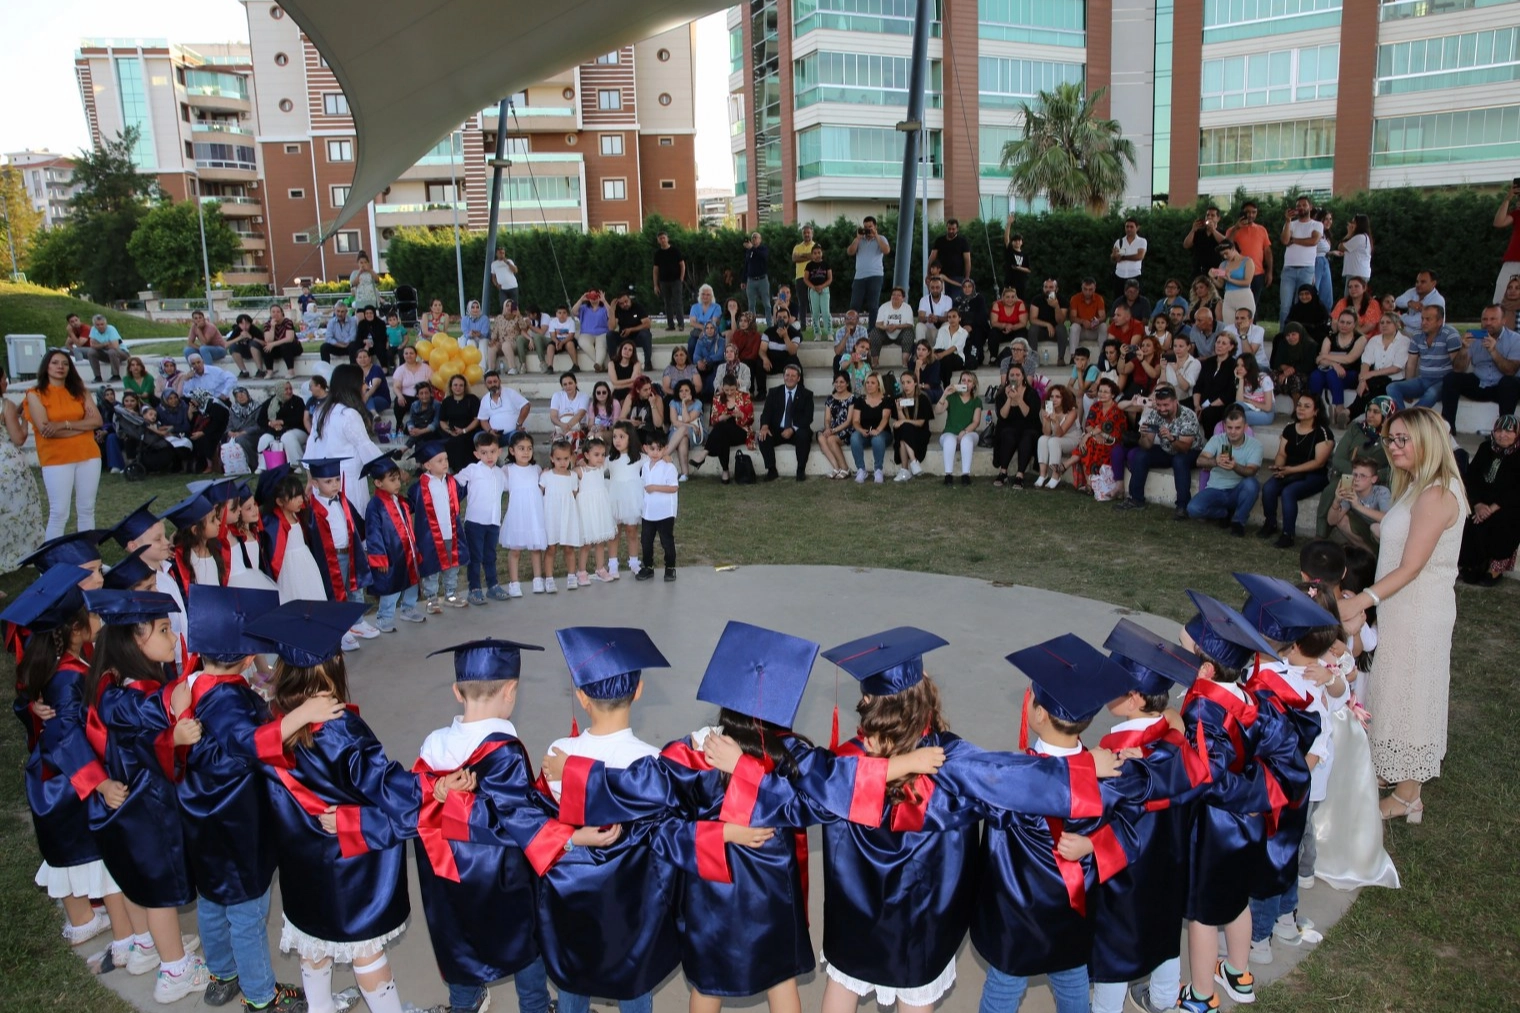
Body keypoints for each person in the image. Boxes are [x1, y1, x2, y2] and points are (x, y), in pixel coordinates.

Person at [243, 599, 426, 1013]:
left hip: (301, 857)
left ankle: (320, 1007)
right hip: (348, 865)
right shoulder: (343, 732)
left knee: (313, 939)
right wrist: (432, 787)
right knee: (366, 951)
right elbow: (388, 788)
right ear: (336, 663)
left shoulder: (274, 721)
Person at [412, 639, 584, 1013]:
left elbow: (418, 798)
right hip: (500, 879)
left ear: (457, 692)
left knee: (458, 938)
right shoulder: (505, 749)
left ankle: (464, 1005)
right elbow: (517, 816)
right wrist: (566, 828)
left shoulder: (433, 744)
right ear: (511, 691)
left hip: (449, 875)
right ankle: (535, 1006)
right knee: (523, 940)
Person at [536, 628, 677, 1013]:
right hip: (631, 902)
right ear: (639, 691)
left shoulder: (558, 753)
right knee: (634, 979)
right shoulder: (653, 763)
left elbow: (544, 824)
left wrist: (574, 771)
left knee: (572, 975)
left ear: (581, 697)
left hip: (574, 896)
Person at [1340, 407, 1468, 824]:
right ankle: (1389, 769)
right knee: (1392, 690)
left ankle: (1409, 796)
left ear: (1427, 440)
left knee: (1412, 695)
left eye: (1402, 439)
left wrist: (1361, 600)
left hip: (1419, 609)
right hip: (1400, 606)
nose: (1393, 447)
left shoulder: (1437, 493)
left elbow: (1412, 566)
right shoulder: (1419, 485)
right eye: (1390, 439)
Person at [26, 349, 102, 540]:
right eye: (55, 363)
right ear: (46, 366)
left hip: (88, 454)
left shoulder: (80, 391)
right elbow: (46, 430)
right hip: (56, 458)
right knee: (59, 512)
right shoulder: (35, 394)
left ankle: (88, 553)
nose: (60, 367)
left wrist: (63, 425)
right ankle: (52, 558)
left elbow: (97, 421)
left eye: (65, 363)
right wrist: (82, 427)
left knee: (87, 509)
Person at [1259, 393, 1336, 549]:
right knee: (1268, 487)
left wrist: (1290, 470)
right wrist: (1279, 467)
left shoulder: (1323, 433)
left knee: (1289, 492)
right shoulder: (1289, 428)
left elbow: (1319, 462)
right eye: (1299, 405)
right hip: (1289, 471)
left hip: (1314, 474)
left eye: (1307, 406)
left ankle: (1288, 534)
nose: (1301, 409)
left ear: (1316, 411)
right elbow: (1282, 454)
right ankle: (1270, 523)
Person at [1116, 384, 1201, 517]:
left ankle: (1182, 506)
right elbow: (1147, 445)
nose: (1162, 409)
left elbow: (1184, 448)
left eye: (1166, 405)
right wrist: (1142, 437)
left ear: (1175, 402)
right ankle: (1136, 499)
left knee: (1179, 461)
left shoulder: (1188, 415)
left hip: (1189, 451)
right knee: (1141, 455)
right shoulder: (1156, 414)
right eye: (1159, 405)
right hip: (1167, 449)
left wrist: (1171, 438)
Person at [361, 455, 424, 632]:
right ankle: (384, 617)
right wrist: (379, 557)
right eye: (392, 480)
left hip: (407, 550)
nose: (397, 483)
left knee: (412, 582)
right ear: (378, 483)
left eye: (398, 479)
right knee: (392, 587)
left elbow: (412, 507)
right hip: (390, 554)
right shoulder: (375, 506)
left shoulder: (399, 500)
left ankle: (408, 608)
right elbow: (373, 533)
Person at [1458, 414, 1520, 585]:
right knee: (1470, 519)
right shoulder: (1486, 448)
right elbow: (1472, 478)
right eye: (1499, 430)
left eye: (1509, 431)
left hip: (1507, 504)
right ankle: (1473, 563)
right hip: (1482, 502)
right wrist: (1478, 504)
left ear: (1517, 434)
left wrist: (1491, 508)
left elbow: (1516, 490)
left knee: (1505, 522)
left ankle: (1495, 568)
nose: (1502, 435)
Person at [407, 440, 467, 612]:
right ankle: (431, 598)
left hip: (451, 532)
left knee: (452, 566)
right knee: (432, 568)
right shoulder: (419, 487)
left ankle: (451, 593)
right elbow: (410, 506)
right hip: (430, 537)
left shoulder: (451, 482)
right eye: (440, 461)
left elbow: (460, 495)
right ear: (427, 465)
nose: (445, 463)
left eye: (446, 459)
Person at [1442, 304, 1520, 429]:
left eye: (1493, 319)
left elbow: (1510, 371)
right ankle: (1447, 428)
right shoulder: (1474, 337)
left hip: (1502, 387)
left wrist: (1493, 351)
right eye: (1485, 319)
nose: (1488, 323)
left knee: (1510, 383)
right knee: (1451, 378)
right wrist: (1464, 348)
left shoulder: (1515, 339)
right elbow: (1458, 369)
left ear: (1503, 321)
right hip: (1480, 383)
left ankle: (1504, 430)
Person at [455, 431, 510, 604]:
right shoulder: (472, 470)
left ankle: (493, 586)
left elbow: (510, 486)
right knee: (475, 556)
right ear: (477, 454)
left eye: (492, 452)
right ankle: (474, 589)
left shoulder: (500, 473)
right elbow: (455, 482)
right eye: (484, 453)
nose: (489, 456)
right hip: (475, 522)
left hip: (493, 522)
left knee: (490, 555)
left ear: (499, 451)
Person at [1188, 407, 1264, 535]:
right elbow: (1199, 461)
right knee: (1193, 509)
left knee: (1252, 484)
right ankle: (1224, 513)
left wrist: (1235, 466)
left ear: (1245, 427)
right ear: (1224, 426)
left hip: (1238, 490)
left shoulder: (1255, 445)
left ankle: (1238, 522)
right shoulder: (1217, 439)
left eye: (1237, 428)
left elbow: (1251, 471)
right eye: (1229, 427)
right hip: (1216, 488)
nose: (1233, 432)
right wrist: (1215, 461)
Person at [1389, 304, 1463, 410]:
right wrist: (1408, 386)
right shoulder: (1417, 335)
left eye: (1428, 319)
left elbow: (1458, 367)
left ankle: (1409, 417)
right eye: (1422, 319)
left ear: (1440, 321)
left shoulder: (1450, 335)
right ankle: (1403, 415)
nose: (1423, 322)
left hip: (1443, 381)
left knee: (1431, 393)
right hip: (1423, 380)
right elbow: (1411, 364)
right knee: (1392, 387)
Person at [500, 431, 547, 596]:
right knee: (515, 549)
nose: (526, 452)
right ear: (512, 450)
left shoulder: (536, 469)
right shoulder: (507, 470)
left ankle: (538, 580)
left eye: (529, 448)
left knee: (536, 548)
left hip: (534, 513)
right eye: (521, 448)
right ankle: (514, 583)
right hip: (517, 514)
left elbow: (541, 490)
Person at [634, 429, 679, 581]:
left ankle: (670, 568)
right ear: (645, 448)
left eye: (659, 449)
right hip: (648, 512)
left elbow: (673, 487)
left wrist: (655, 487)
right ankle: (648, 567)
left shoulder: (669, 467)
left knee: (666, 541)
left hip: (665, 512)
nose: (655, 453)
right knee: (646, 540)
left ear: (665, 449)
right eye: (652, 449)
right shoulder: (646, 466)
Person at [756, 363, 813, 481]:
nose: (789, 378)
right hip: (777, 429)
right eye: (787, 375)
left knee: (804, 435)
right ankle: (771, 470)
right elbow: (766, 413)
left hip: (796, 429)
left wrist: (792, 428)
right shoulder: (774, 392)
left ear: (798, 378)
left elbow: (808, 417)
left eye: (793, 376)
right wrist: (764, 426)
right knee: (763, 436)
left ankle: (800, 470)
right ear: (783, 376)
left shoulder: (806, 394)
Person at [540, 439, 584, 591]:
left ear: (571, 457)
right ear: (552, 458)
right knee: (551, 548)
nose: (562, 462)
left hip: (567, 515)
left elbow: (574, 493)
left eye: (566, 458)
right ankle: (549, 579)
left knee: (569, 547)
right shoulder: (546, 476)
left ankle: (571, 576)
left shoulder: (573, 476)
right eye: (558, 459)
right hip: (551, 516)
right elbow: (540, 493)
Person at [1348, 312, 1408, 420]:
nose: (1384, 325)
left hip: (1396, 379)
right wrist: (1362, 380)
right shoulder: (1374, 340)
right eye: (1382, 323)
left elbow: (1396, 368)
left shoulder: (1404, 341)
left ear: (1396, 324)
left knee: (1376, 388)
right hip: (1376, 379)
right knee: (1368, 385)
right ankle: (1351, 414)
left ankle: (1349, 413)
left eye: (1388, 322)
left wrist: (1371, 374)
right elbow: (1366, 362)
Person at [1311, 310, 1368, 423]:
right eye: (1342, 322)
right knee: (1316, 376)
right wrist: (1334, 364)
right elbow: (1320, 361)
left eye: (1348, 323)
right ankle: (1314, 409)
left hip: (1350, 374)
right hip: (1330, 373)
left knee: (1332, 374)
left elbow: (1350, 359)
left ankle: (1339, 408)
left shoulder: (1360, 339)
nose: (1344, 325)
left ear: (1354, 324)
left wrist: (1325, 356)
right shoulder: (1329, 338)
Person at [1326, 457, 1391, 551]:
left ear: (1373, 479)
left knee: (1375, 528)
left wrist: (1358, 506)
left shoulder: (1381, 492)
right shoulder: (1351, 492)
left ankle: (1383, 555)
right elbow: (1332, 521)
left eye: (1363, 476)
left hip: (1382, 532)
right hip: (1365, 529)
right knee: (1341, 519)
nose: (1357, 479)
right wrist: (1336, 501)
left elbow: (1387, 519)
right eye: (1355, 475)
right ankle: (1370, 553)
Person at [847, 372, 895, 484]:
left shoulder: (886, 399)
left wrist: (877, 430)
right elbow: (855, 421)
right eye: (867, 383)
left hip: (883, 432)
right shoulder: (860, 400)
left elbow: (885, 418)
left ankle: (878, 470)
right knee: (854, 437)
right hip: (865, 433)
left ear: (879, 385)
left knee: (877, 439)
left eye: (872, 383)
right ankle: (861, 470)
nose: (869, 385)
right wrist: (861, 430)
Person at [937, 370, 982, 487]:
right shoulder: (952, 397)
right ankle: (948, 475)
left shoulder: (976, 401)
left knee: (966, 440)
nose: (966, 383)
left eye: (969, 381)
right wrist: (945, 394)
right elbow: (938, 411)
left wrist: (965, 431)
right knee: (949, 440)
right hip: (950, 432)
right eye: (963, 380)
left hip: (969, 433)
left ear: (973, 385)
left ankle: (965, 475)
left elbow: (976, 422)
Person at [1031, 384, 1079, 490]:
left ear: (1064, 398)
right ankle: (1042, 475)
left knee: (1054, 441)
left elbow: (1060, 434)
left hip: (1072, 439)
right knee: (1042, 439)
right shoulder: (1046, 409)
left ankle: (1056, 475)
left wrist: (1056, 421)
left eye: (1058, 397)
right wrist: (1047, 420)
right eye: (1052, 397)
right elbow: (1046, 433)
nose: (1054, 399)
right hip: (1055, 438)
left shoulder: (1072, 412)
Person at [1226, 199, 1273, 305]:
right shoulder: (1232, 230)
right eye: (1247, 212)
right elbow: (1227, 246)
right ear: (1242, 213)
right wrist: (1236, 228)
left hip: (1257, 273)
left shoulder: (1261, 230)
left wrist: (1269, 272)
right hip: (1238, 273)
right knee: (1238, 304)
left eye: (1253, 212)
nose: (1250, 215)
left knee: (1253, 305)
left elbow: (1267, 252)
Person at [438, 374, 482, 473]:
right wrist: (450, 431)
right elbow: (442, 421)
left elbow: (477, 419)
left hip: (470, 430)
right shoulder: (447, 401)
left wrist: (464, 430)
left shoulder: (472, 399)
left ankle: (466, 470)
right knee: (450, 441)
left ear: (465, 387)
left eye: (461, 385)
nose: (458, 388)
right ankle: (453, 469)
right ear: (451, 386)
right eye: (455, 385)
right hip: (452, 431)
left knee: (463, 441)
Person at [848, 215, 890, 313]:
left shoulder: (881, 238)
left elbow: (886, 250)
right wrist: (858, 238)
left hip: (875, 275)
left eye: (870, 227)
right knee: (854, 304)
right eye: (865, 227)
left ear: (875, 227)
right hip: (859, 276)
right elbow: (850, 252)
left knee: (873, 305)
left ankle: (873, 323)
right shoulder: (859, 240)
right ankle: (853, 323)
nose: (868, 230)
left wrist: (876, 236)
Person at [475, 370, 531, 441]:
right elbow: (483, 420)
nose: (493, 384)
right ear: (485, 385)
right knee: (478, 437)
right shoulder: (485, 399)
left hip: (513, 433)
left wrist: (519, 424)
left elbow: (526, 406)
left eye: (495, 381)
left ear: (499, 382)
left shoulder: (510, 393)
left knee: (516, 436)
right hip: (494, 436)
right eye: (489, 382)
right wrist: (490, 431)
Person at [869, 287, 915, 367]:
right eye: (893, 295)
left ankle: (905, 362)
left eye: (898, 295)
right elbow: (878, 324)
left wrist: (896, 326)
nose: (895, 297)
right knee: (874, 332)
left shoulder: (907, 307)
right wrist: (887, 327)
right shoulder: (884, 307)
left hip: (901, 335)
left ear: (903, 298)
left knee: (909, 332)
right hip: (885, 334)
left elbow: (909, 324)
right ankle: (875, 362)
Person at [1066, 278, 1106, 368]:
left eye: (1090, 289)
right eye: (1085, 289)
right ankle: (1073, 356)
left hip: (1093, 330)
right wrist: (1083, 321)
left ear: (1095, 288)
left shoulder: (1099, 298)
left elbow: (1103, 316)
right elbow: (1072, 317)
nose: (1088, 292)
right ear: (1081, 288)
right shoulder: (1075, 298)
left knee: (1103, 326)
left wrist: (1097, 321)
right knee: (1074, 326)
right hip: (1081, 331)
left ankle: (1103, 356)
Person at [612, 290, 655, 372]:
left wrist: (631, 329)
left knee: (645, 334)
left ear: (629, 299)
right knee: (610, 335)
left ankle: (648, 363)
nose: (624, 304)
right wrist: (612, 310)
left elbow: (647, 324)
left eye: (626, 301)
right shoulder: (617, 310)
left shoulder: (638, 307)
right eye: (621, 303)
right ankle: (614, 363)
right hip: (624, 337)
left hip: (638, 336)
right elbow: (611, 327)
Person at [1393, 269, 1445, 336]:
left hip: (1427, 337)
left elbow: (1417, 323)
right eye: (1417, 282)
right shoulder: (1413, 291)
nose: (1418, 284)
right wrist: (1410, 303)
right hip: (1407, 333)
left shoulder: (1437, 300)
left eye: (1423, 282)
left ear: (1433, 283)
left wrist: (1400, 317)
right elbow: (1398, 300)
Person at [1215, 240, 1257, 320]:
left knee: (1244, 323)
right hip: (1228, 296)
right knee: (1228, 325)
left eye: (1226, 253)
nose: (1225, 257)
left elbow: (1247, 282)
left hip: (1243, 295)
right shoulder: (1223, 265)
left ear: (1233, 249)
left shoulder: (1247, 261)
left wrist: (1230, 279)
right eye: (1223, 255)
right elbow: (1220, 284)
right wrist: (1212, 278)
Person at [1493, 182, 1520, 303]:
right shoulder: (1517, 213)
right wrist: (1508, 199)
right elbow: (1498, 223)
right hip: (1512, 261)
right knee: (1499, 297)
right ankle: (1496, 315)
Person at [572, 290, 612, 371]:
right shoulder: (584, 308)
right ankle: (599, 364)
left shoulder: (604, 308)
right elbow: (573, 311)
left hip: (602, 332)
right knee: (583, 342)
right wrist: (581, 300)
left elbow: (611, 314)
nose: (593, 298)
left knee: (601, 345)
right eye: (591, 296)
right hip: (586, 333)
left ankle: (598, 364)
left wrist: (604, 301)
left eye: (596, 296)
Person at [790, 224, 820, 330]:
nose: (806, 234)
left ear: (812, 233)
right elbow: (795, 259)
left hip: (814, 277)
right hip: (800, 277)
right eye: (804, 233)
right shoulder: (797, 247)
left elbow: (816, 258)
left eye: (808, 232)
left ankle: (816, 325)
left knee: (815, 302)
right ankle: (802, 325)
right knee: (802, 302)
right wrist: (809, 256)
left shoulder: (816, 246)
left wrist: (802, 255)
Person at [1185, 206, 1228, 279]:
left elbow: (1226, 243)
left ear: (1218, 218)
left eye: (1212, 215)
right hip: (1199, 271)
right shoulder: (1198, 232)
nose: (1209, 217)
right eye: (1207, 215)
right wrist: (1193, 230)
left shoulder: (1223, 232)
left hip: (1216, 271)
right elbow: (1186, 245)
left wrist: (1213, 230)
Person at [85, 314, 129, 382]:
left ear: (106, 324)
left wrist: (99, 344)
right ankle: (97, 376)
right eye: (97, 325)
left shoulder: (111, 329)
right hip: (106, 353)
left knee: (112, 351)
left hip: (121, 352)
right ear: (94, 325)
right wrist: (106, 343)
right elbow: (92, 345)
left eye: (102, 324)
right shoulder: (93, 329)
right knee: (91, 352)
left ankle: (116, 375)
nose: (100, 326)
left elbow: (115, 346)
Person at [1111, 216, 1147, 296]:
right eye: (1127, 227)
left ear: (1137, 228)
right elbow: (1113, 257)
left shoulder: (1141, 241)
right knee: (1119, 299)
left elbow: (1140, 256)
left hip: (1134, 275)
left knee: (1134, 299)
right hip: (1119, 275)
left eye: (1131, 227)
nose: (1129, 229)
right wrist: (1115, 256)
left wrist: (1123, 257)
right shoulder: (1119, 241)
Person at [802, 246, 832, 341]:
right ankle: (817, 333)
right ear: (812, 255)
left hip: (824, 290)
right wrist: (813, 287)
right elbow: (805, 279)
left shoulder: (826, 264)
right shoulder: (809, 265)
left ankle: (829, 332)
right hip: (813, 290)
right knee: (815, 313)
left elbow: (830, 278)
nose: (817, 255)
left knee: (826, 312)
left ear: (822, 253)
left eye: (819, 252)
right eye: (815, 253)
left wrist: (822, 286)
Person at [742, 232, 771, 322]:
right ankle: (752, 324)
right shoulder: (749, 251)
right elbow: (746, 266)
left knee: (766, 304)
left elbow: (763, 256)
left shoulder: (763, 249)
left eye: (756, 237)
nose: (754, 239)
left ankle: (769, 324)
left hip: (762, 280)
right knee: (751, 305)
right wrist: (743, 280)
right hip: (751, 280)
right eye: (752, 238)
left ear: (760, 239)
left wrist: (752, 248)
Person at [356, 347, 390, 417]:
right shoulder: (356, 372)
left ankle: (374, 413)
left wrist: (366, 397)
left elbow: (375, 385)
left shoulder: (376, 369)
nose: (362, 359)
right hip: (364, 401)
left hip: (381, 399)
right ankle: (374, 416)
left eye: (365, 357)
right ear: (356, 360)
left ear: (370, 358)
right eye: (360, 357)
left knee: (368, 398)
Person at [491, 246, 520, 313]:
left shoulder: (509, 261)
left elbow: (515, 270)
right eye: (500, 253)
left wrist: (507, 262)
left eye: (503, 253)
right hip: (503, 289)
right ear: (497, 254)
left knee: (514, 306)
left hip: (513, 287)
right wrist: (496, 284)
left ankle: (514, 318)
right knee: (503, 305)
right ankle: (505, 318)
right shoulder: (494, 264)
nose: (502, 254)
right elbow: (493, 277)